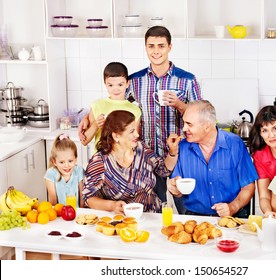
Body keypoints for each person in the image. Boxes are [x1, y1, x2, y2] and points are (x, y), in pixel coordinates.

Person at [79, 26, 202, 213]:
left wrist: (179, 105)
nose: (156, 51)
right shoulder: (134, 80)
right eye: (151, 46)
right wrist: (88, 118)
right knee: (154, 207)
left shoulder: (187, 80)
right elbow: (115, 104)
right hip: (144, 159)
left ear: (170, 47)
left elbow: (200, 116)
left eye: (161, 46)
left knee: (188, 210)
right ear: (145, 47)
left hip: (178, 153)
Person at [167, 100, 258, 218]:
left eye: (189, 124)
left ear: (207, 126)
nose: (184, 129)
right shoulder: (182, 147)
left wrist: (233, 207)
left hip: (232, 216)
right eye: (184, 123)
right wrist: (174, 188)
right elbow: (177, 188)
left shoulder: (235, 144)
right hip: (194, 217)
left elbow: (248, 186)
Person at [82, 110, 181, 214]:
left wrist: (172, 151)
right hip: (124, 220)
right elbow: (88, 198)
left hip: (154, 215)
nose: (137, 134)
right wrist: (112, 206)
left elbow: (163, 170)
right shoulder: (99, 162)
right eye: (131, 131)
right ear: (116, 136)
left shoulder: (141, 148)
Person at [80, 62, 141, 152]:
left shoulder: (135, 110)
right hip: (101, 161)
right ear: (105, 84)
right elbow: (84, 141)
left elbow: (134, 141)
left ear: (127, 83)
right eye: (110, 85)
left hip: (125, 161)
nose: (115, 89)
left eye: (120, 84)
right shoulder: (97, 105)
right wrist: (96, 125)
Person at [44, 134, 84, 207]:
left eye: (70, 161)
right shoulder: (51, 174)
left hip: (77, 214)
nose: (66, 165)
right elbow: (53, 202)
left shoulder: (79, 171)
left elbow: (82, 198)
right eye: (62, 162)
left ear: (75, 159)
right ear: (54, 162)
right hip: (59, 214)